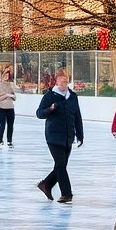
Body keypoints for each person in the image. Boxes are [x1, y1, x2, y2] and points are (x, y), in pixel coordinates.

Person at [36, 72, 84, 204]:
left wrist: (80, 135)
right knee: (61, 165)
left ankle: (46, 184)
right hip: (53, 137)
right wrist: (50, 109)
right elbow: (39, 113)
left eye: (66, 82)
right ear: (56, 82)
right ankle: (66, 194)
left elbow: (77, 117)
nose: (64, 84)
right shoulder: (50, 96)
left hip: (68, 137)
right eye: (61, 82)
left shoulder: (72, 97)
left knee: (61, 165)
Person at [0, 67, 16, 149]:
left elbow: (14, 97)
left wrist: (11, 95)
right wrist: (6, 95)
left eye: (8, 74)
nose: (6, 76)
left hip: (10, 108)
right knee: (2, 125)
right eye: (5, 74)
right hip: (1, 108)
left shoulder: (11, 85)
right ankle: (0, 141)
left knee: (10, 125)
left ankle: (9, 141)